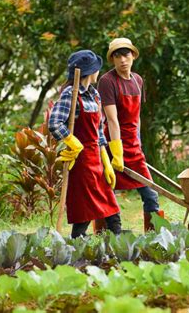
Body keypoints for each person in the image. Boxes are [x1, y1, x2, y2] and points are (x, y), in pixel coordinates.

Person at [49, 49, 121, 238]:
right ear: (90, 71)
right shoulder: (70, 94)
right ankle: (76, 251)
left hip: (96, 159)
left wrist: (106, 161)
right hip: (81, 163)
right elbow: (54, 122)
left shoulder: (95, 94)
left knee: (111, 208)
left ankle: (120, 249)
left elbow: (99, 131)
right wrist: (73, 142)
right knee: (84, 212)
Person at [97, 37, 163, 232]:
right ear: (112, 60)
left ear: (133, 55)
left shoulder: (138, 80)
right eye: (117, 56)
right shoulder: (107, 81)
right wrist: (116, 152)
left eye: (125, 54)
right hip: (114, 145)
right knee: (107, 192)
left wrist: (138, 142)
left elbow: (137, 117)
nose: (122, 60)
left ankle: (153, 236)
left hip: (134, 146)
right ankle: (111, 234)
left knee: (150, 193)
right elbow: (111, 120)